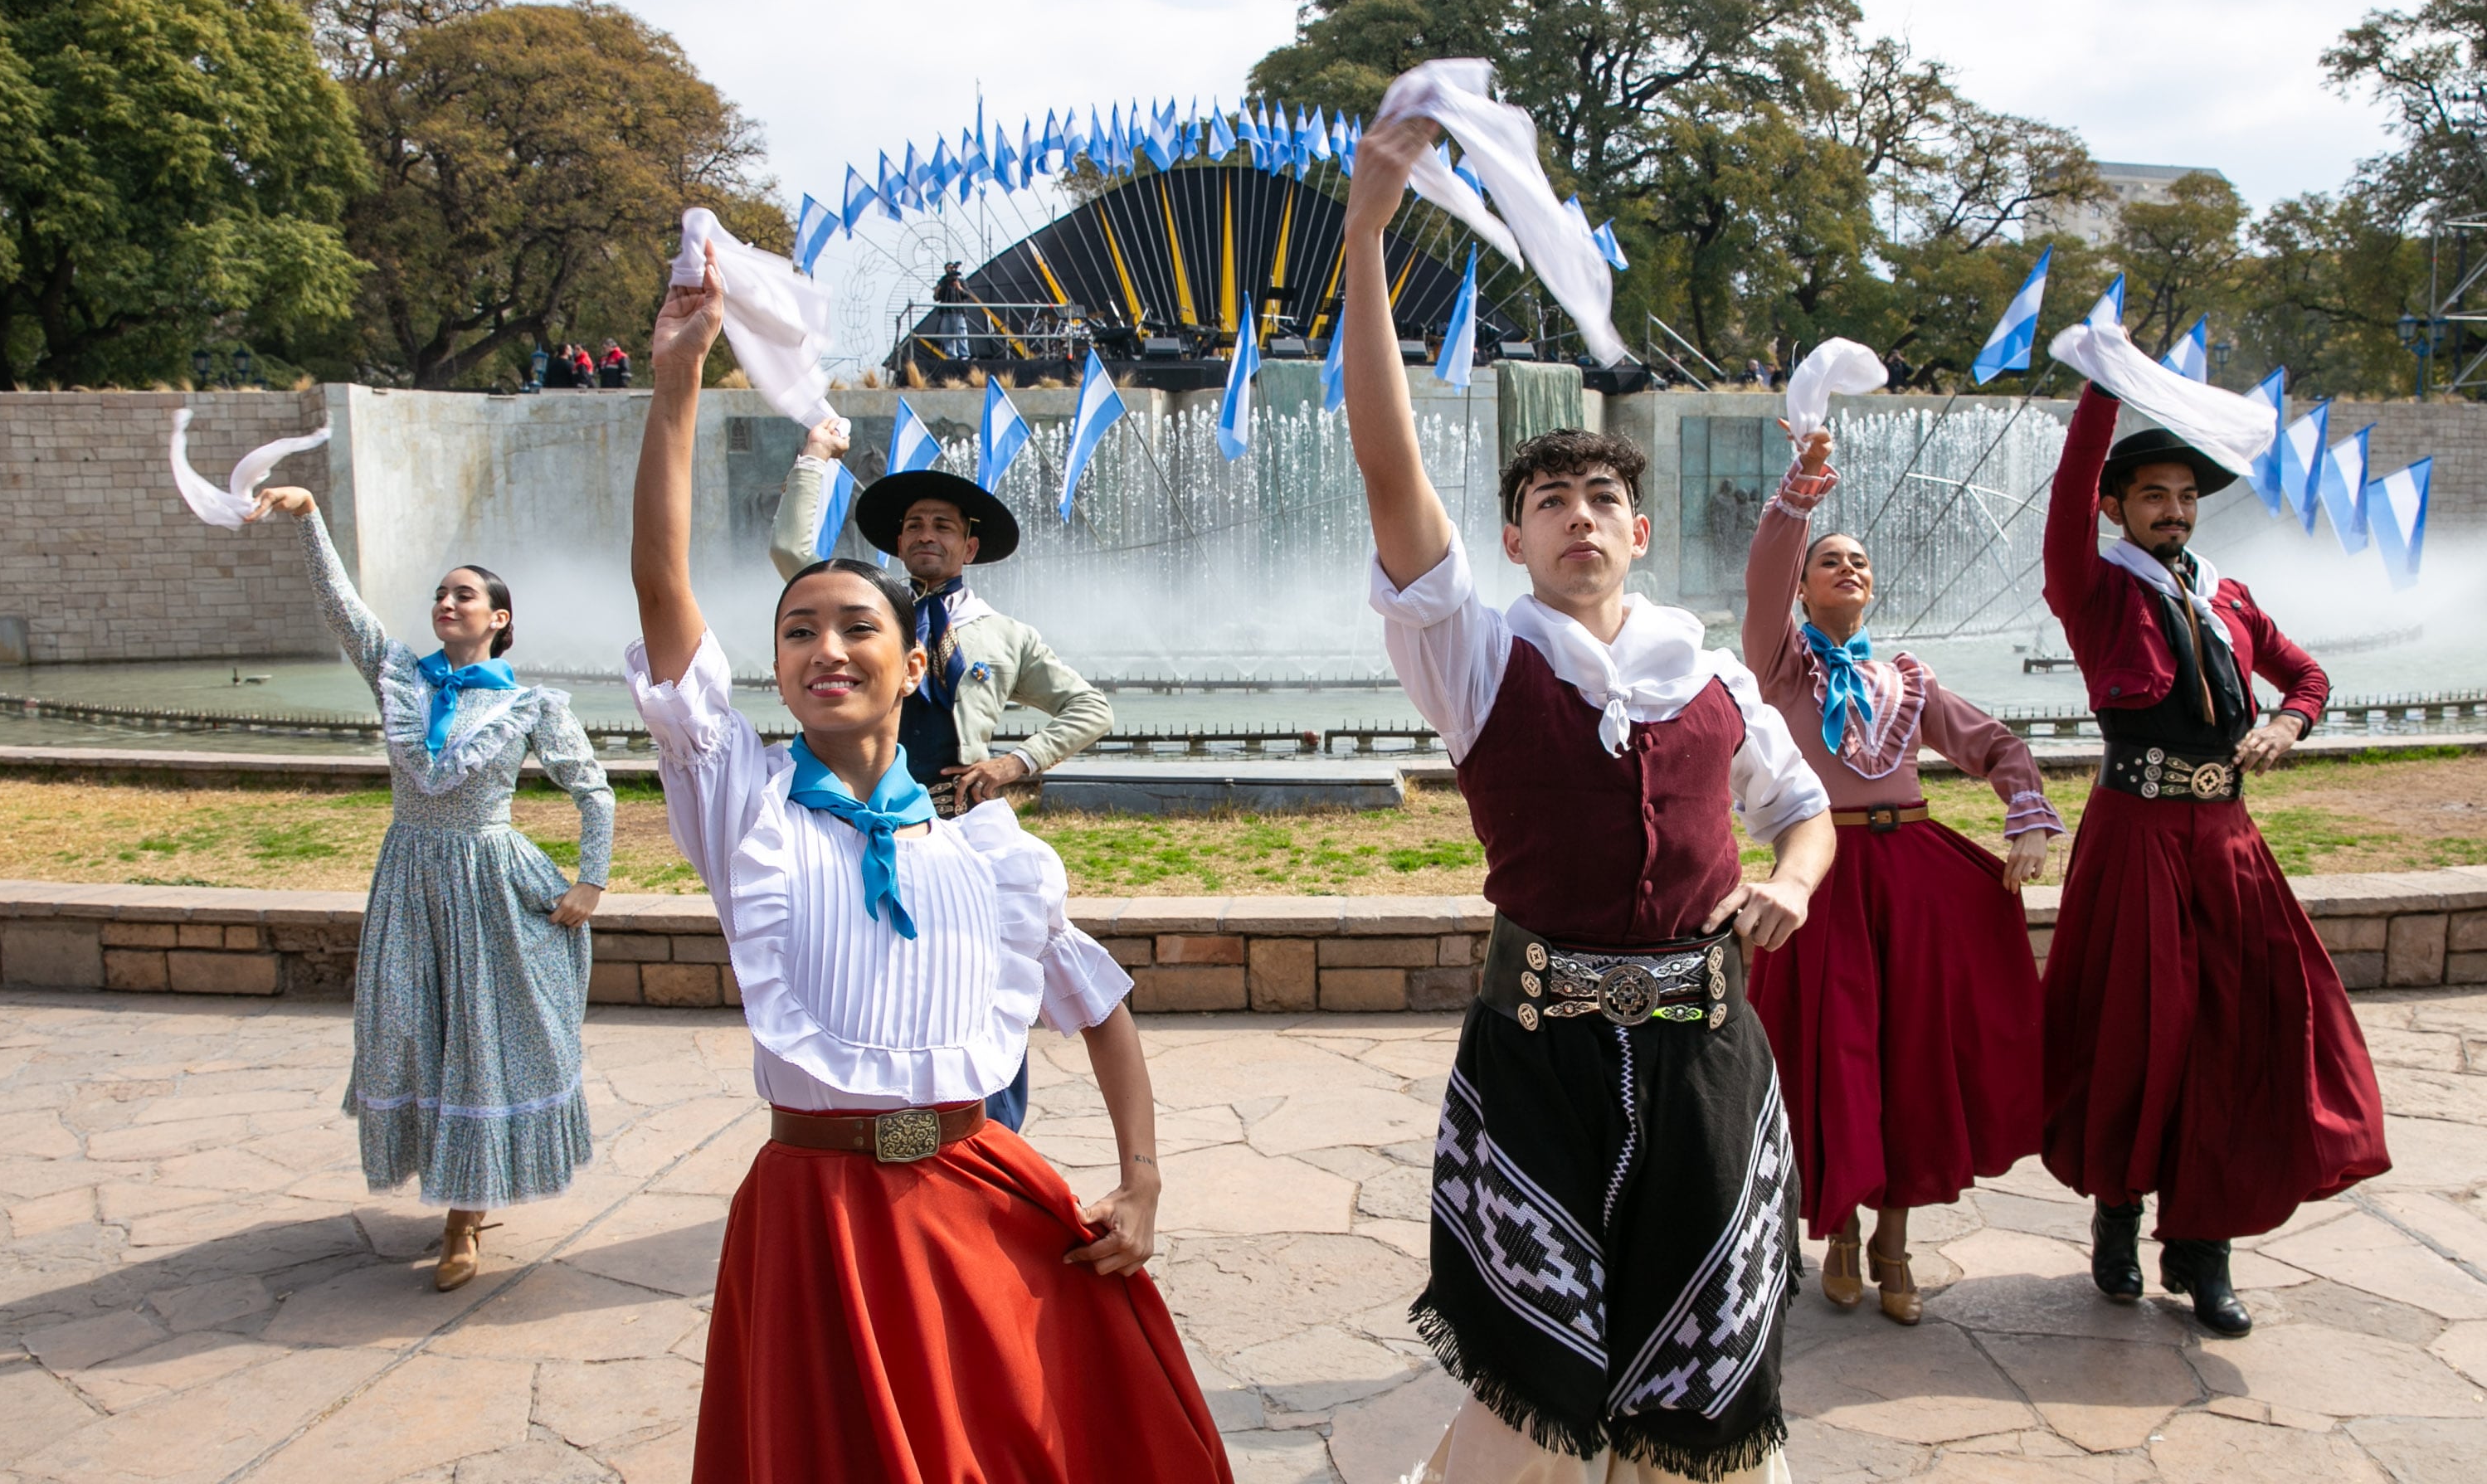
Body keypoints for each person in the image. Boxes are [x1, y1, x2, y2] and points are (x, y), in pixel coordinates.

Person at [629, 242, 1229, 1484]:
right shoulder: (741, 806)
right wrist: (679, 379)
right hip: (813, 1221)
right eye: (800, 631)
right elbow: (663, 596)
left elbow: (1104, 1011)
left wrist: (1141, 1180)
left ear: (915, 666)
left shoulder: (991, 857)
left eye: (859, 627)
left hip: (978, 1193)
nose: (825, 647)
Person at [1340, 114, 1834, 1484]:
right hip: (1539, 1059)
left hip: (1706, 1059)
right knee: (1531, 1398)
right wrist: (1370, 235)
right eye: (1549, 499)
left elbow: (1808, 811)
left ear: (1640, 528)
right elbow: (1390, 468)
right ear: (1514, 537)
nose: (1578, 515)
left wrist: (1791, 880)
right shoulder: (1478, 655)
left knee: (1706, 1393)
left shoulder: (1713, 676)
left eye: (1601, 495)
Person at [2041, 388, 2389, 1337]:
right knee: (2134, 1030)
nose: (2174, 510)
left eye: (2187, 495)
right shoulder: (2093, 585)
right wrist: (2102, 385)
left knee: (2235, 1033)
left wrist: (2287, 720)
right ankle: (2118, 1213)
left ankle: (2204, 1249)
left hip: (2227, 841)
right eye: (2153, 494)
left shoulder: (2227, 595)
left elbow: (2309, 675)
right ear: (2117, 506)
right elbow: (2070, 486)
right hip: (2135, 834)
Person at [244, 485, 611, 1292]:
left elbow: (595, 790)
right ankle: (451, 1183)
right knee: (412, 1028)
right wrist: (309, 518)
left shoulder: (528, 703)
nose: (447, 601)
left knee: (482, 1037)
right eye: (441, 592)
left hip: (487, 881)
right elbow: (340, 607)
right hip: (410, 874)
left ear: (500, 618)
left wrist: (591, 878)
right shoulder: (398, 675)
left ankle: (463, 1217)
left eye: (464, 594)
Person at [1742, 424, 2062, 1326]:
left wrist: (2026, 816)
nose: (1848, 569)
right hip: (1828, 874)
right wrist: (1801, 493)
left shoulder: (1908, 680)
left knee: (1912, 1053)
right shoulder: (1782, 669)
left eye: (1859, 562)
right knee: (1837, 1052)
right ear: (1805, 586)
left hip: (1916, 878)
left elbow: (1997, 745)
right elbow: (1764, 580)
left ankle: (1894, 1237)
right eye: (1829, 561)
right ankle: (1837, 1229)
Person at [774, 431, 1113, 1131]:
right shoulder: (867, 614)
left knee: (989, 981)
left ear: (970, 548)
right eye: (914, 525)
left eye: (944, 527)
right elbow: (789, 554)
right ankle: (864, 1131)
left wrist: (1015, 763)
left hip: (961, 831)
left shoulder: (1006, 636)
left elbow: (1091, 707)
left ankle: (992, 1136)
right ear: (898, 543)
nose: (926, 536)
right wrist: (815, 460)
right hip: (855, 822)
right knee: (866, 978)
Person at [934, 261, 972, 361]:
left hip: (959, 311)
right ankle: (951, 356)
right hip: (946, 312)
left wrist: (959, 288)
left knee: (961, 333)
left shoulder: (961, 281)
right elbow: (937, 298)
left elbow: (967, 294)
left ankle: (964, 355)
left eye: (952, 268)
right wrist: (937, 291)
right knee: (947, 334)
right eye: (948, 268)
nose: (951, 269)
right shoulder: (943, 282)